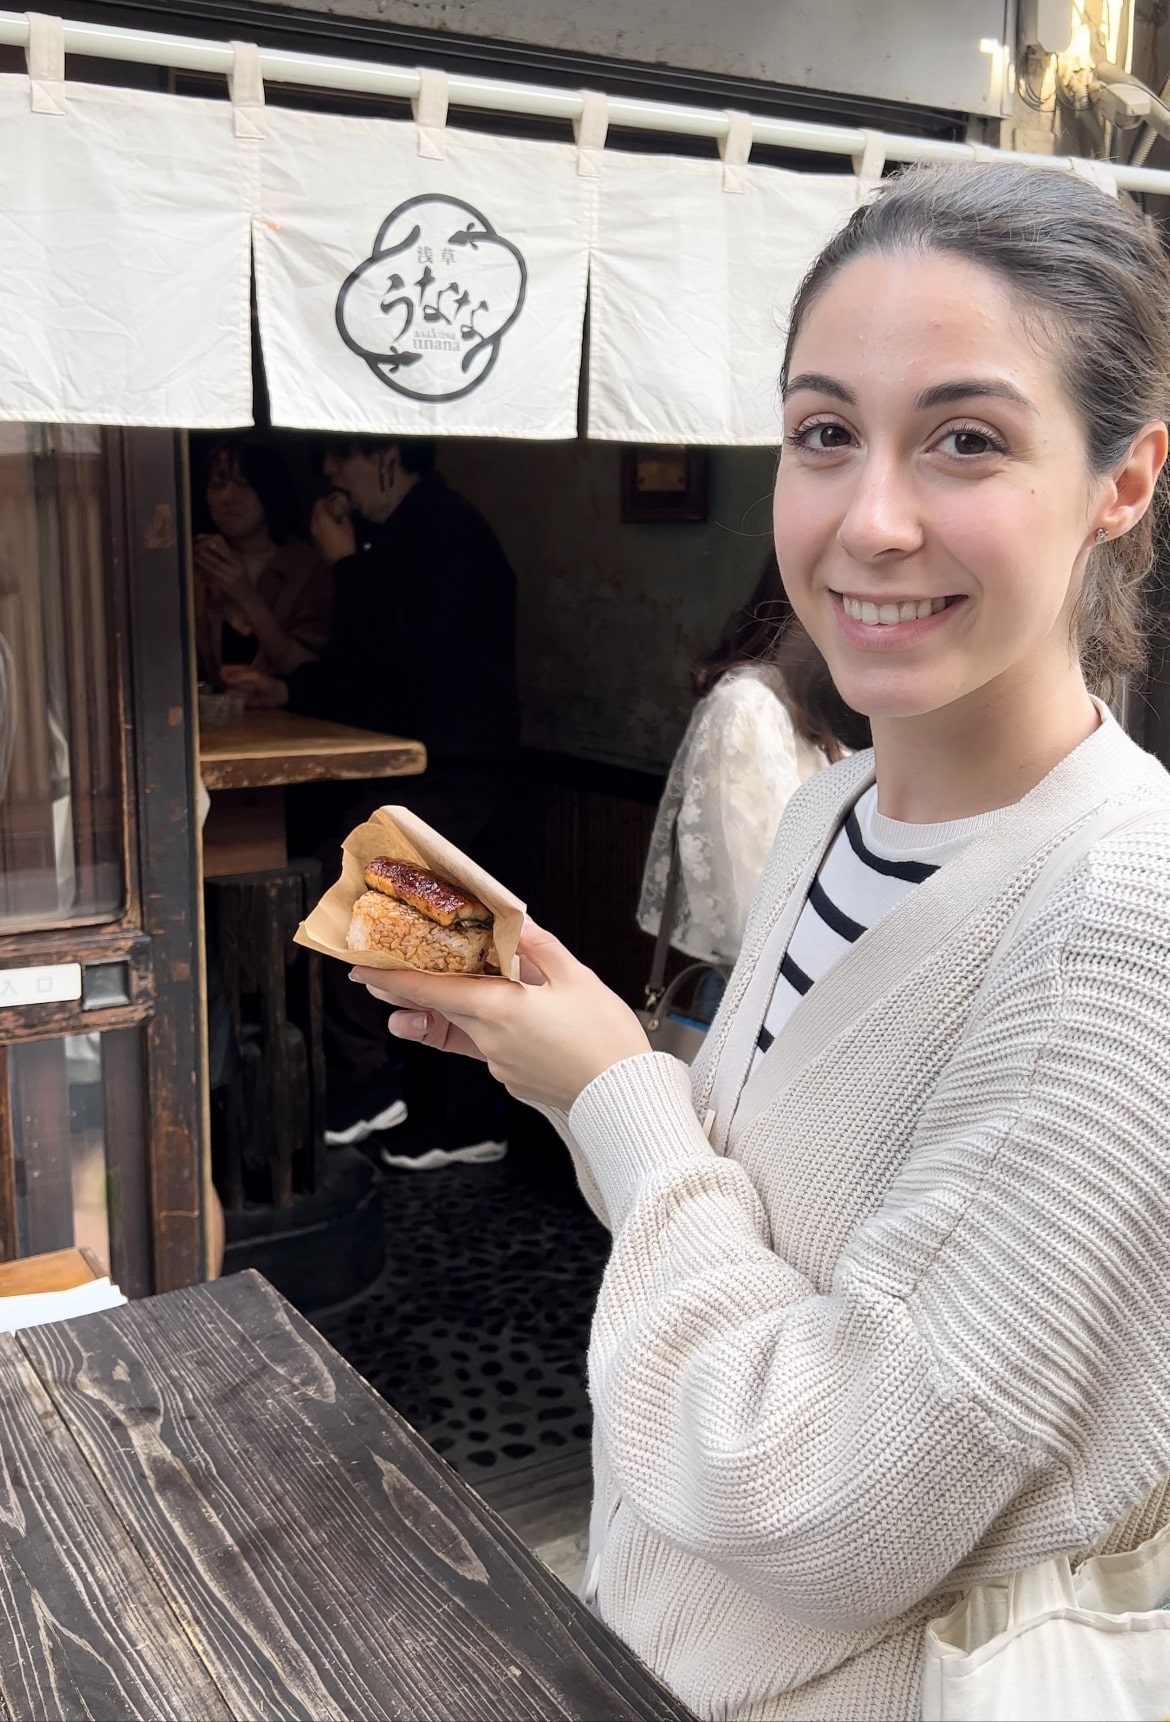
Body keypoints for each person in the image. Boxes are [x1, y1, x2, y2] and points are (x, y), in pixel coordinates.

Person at [350, 162, 1170, 1719]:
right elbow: (734, 1219)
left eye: (967, 439)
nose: (868, 518)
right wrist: (574, 1053)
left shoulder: (1120, 930)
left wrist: (615, 1091)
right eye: (821, 433)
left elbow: (820, 1491)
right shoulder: (829, 811)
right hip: (649, 1647)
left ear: (1122, 481)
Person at [224, 435, 520, 1165]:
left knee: (370, 898)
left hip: (454, 766)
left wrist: (343, 565)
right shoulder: (404, 533)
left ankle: (398, 1096)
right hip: (437, 764)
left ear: (388, 456)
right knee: (439, 944)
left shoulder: (446, 531)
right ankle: (452, 1115)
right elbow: (365, 669)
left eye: (341, 456)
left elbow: (400, 664)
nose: (328, 473)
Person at [638, 553, 864, 980]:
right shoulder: (747, 706)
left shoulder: (829, 701)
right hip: (764, 984)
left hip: (810, 980)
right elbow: (756, 907)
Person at [193, 439, 333, 681]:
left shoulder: (308, 568)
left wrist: (246, 596)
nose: (228, 497)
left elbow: (309, 670)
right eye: (217, 484)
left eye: (244, 484)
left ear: (270, 489)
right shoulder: (196, 561)